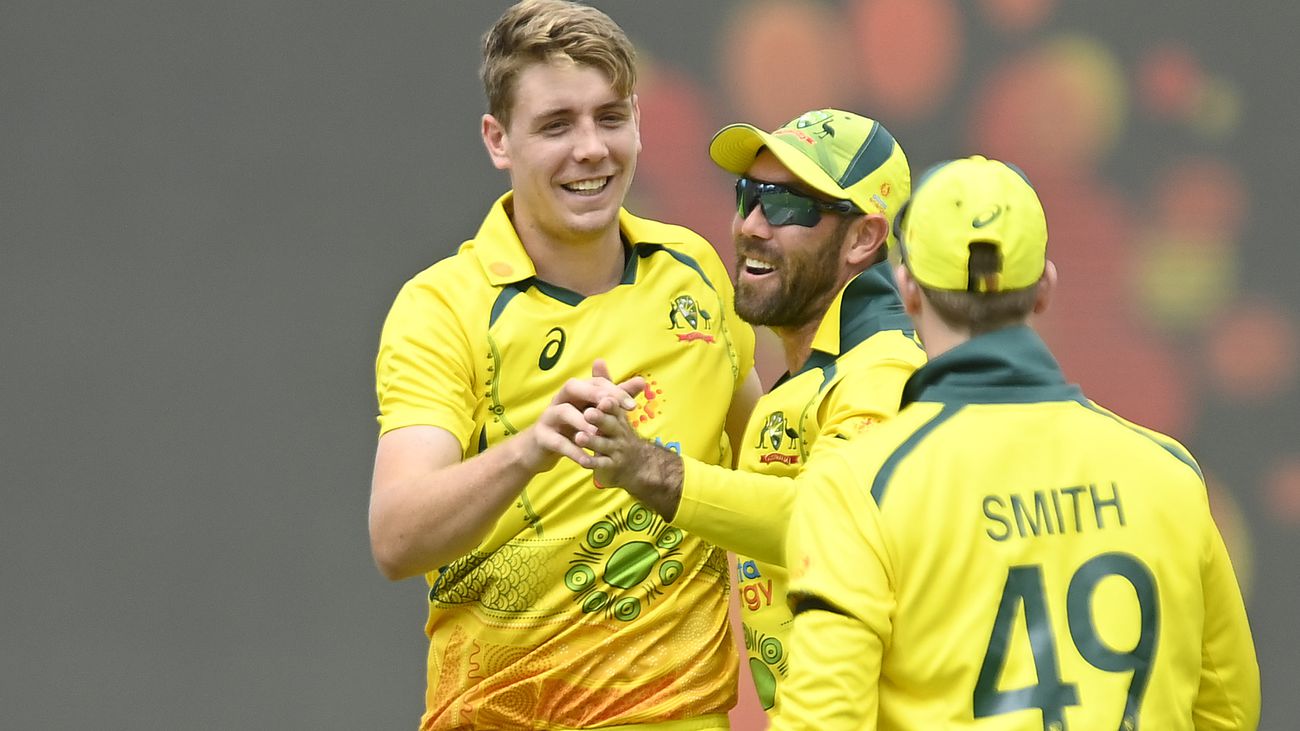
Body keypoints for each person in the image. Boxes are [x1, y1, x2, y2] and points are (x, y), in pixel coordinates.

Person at [368, 2, 760, 729]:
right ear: (498, 140)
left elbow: (767, 475)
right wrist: (529, 450)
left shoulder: (695, 271)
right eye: (556, 125)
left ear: (639, 120)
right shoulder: (443, 307)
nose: (591, 149)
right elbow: (396, 537)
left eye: (610, 117)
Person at [775, 155, 1261, 730]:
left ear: (906, 290)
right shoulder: (1171, 473)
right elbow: (1228, 711)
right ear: (1045, 288)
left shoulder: (858, 486)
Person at [575, 109, 924, 716]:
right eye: (748, 195)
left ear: (865, 238)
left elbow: (831, 523)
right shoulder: (810, 375)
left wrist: (650, 469)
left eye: (787, 206)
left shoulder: (883, 369)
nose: (751, 225)